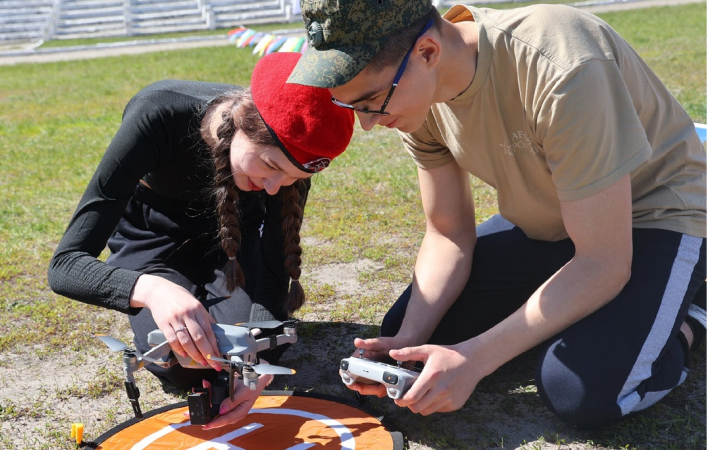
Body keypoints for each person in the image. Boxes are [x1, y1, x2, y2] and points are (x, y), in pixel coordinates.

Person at [288, 0, 706, 428]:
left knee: (580, 392)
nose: (368, 124)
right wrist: (408, 340)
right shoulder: (416, 89)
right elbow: (448, 233)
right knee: (408, 339)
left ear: (428, 52)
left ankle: (693, 313)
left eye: (371, 101)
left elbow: (603, 261)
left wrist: (474, 359)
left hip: (655, 215)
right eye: (352, 106)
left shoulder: (560, 64)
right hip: (555, 220)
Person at [48, 52, 354, 427]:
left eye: (290, 178)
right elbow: (65, 265)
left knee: (237, 352)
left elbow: (274, 273)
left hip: (232, 244)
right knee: (181, 364)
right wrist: (153, 290)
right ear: (242, 125)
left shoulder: (291, 159)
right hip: (151, 241)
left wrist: (254, 365)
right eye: (271, 166)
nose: (274, 187)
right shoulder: (157, 112)